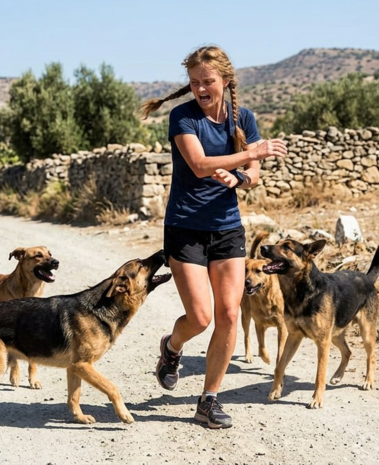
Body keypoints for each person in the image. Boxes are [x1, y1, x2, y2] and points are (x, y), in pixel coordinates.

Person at [139, 45, 288, 429]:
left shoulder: (244, 119)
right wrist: (247, 156)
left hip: (226, 229)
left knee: (229, 313)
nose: (201, 88)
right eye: (195, 82)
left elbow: (253, 176)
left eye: (208, 81)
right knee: (201, 317)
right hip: (185, 227)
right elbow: (200, 164)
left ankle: (208, 400)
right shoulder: (182, 117)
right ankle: (171, 348)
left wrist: (240, 175)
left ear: (225, 80)